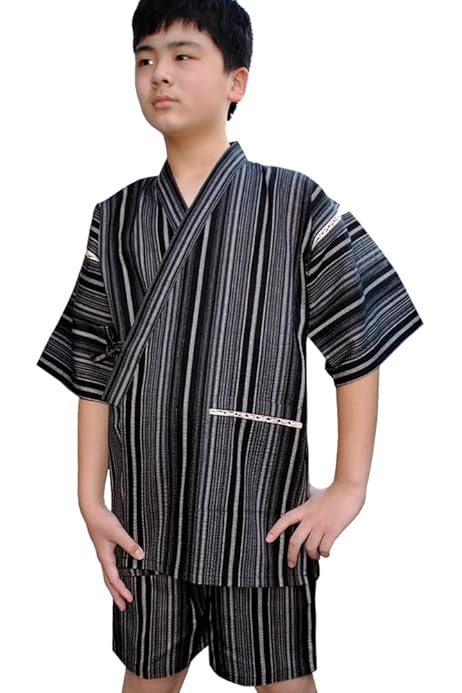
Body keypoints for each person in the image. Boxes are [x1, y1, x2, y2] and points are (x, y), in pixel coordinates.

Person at [35, 1, 423, 691]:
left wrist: (350, 485)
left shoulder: (295, 203)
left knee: (285, 680)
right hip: (148, 518)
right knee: (146, 677)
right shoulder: (115, 218)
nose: (159, 73)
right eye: (145, 58)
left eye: (183, 56)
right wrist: (89, 500)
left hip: (260, 515)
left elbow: (357, 335)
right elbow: (93, 361)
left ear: (235, 81)